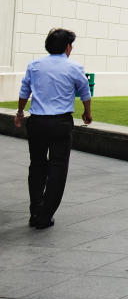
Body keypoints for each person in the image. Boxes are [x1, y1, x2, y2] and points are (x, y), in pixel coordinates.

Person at [15, 28, 92, 229]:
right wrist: (87, 112)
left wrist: (20, 113)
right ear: (67, 47)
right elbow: (84, 91)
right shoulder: (74, 67)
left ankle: (35, 210)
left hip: (37, 122)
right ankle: (45, 214)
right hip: (61, 123)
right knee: (58, 168)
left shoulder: (35, 65)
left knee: (37, 165)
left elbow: (25, 91)